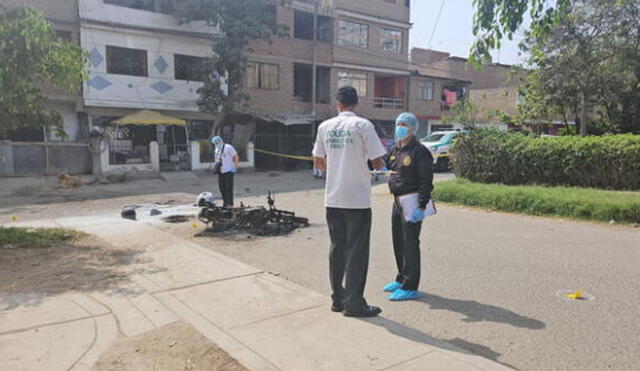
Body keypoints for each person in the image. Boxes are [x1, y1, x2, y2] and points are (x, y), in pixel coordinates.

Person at [312, 86, 387, 317]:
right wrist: (375, 169)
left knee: (337, 248)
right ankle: (354, 303)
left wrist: (334, 166)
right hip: (357, 200)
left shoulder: (325, 127)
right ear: (356, 104)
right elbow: (377, 162)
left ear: (338, 104)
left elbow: (318, 161)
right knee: (357, 251)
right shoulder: (363, 125)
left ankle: (338, 298)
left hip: (333, 198)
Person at [383, 112, 434, 301]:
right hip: (397, 202)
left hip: (412, 202)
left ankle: (410, 285)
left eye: (404, 124)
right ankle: (401, 277)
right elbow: (386, 163)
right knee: (399, 242)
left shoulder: (419, 151)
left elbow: (426, 181)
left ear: (413, 128)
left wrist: (421, 206)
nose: (400, 127)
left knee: (411, 244)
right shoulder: (396, 149)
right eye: (398, 124)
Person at [212, 136, 239, 207]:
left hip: (229, 170)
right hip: (221, 171)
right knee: (221, 187)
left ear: (220, 141)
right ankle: (225, 202)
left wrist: (235, 167)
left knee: (228, 188)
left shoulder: (228, 147)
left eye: (217, 142)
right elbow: (217, 159)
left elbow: (236, 156)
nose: (216, 144)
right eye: (215, 143)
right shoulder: (216, 149)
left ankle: (230, 204)